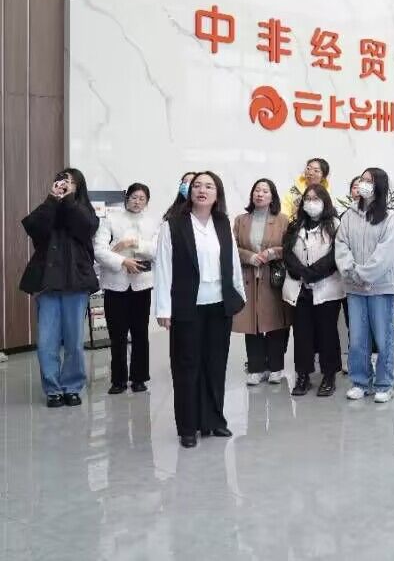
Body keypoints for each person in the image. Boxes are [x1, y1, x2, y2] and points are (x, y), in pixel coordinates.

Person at [154, 171, 246, 448]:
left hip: (219, 305)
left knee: (215, 365)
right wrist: (164, 309)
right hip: (187, 306)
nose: (202, 190)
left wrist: (238, 295)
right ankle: (188, 427)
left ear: (217, 194)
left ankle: (213, 421)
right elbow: (163, 268)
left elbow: (233, 262)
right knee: (187, 366)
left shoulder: (223, 223)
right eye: (197, 186)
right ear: (189, 191)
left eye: (208, 186)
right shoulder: (173, 225)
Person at [20, 168, 99, 407]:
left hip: (76, 282)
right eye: (61, 180)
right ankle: (53, 389)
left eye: (70, 181)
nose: (64, 184)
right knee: (47, 342)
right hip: (48, 283)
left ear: (78, 187)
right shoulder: (49, 206)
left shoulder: (83, 209)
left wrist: (68, 201)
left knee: (74, 341)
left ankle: (72, 387)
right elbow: (33, 227)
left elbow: (86, 227)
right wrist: (52, 200)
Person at [336, 167, 394, 403]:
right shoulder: (349, 216)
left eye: (369, 181)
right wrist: (351, 271)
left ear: (379, 186)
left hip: (381, 287)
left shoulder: (389, 217)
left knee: (384, 338)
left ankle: (385, 383)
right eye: (362, 180)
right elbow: (341, 245)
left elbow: (385, 254)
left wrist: (363, 274)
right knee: (357, 339)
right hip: (354, 288)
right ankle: (360, 381)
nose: (363, 184)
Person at [94, 182, 160, 394]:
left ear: (147, 202)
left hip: (141, 285)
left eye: (142, 199)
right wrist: (123, 261)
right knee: (117, 335)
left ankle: (139, 378)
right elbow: (99, 251)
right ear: (126, 198)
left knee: (140, 333)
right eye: (133, 197)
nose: (137, 202)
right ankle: (118, 380)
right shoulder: (109, 219)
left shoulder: (153, 222)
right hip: (115, 284)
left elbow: (156, 250)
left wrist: (132, 244)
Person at [282, 183, 344, 397]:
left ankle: (329, 375)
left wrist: (313, 273)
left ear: (325, 201)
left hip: (327, 287)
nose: (311, 203)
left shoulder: (335, 224)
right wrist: (302, 272)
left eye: (316, 199)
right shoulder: (295, 225)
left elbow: (336, 255)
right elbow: (287, 253)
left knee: (327, 333)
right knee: (302, 334)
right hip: (299, 288)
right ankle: (303, 376)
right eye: (307, 199)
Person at [233, 179, 290, 386]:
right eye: (257, 190)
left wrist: (272, 252)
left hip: (273, 278)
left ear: (272, 197)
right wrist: (249, 257)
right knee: (253, 324)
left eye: (265, 191)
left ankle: (275, 367)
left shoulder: (282, 220)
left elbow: (290, 247)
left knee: (276, 323)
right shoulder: (241, 220)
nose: (260, 194)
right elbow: (232, 247)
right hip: (249, 278)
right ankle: (256, 367)